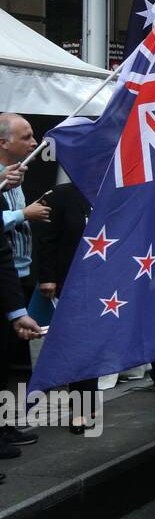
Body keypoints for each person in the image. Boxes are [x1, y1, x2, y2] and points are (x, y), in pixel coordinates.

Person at [32, 178, 97, 432]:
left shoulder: (112, 195)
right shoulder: (61, 194)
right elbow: (45, 237)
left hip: (105, 285)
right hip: (69, 282)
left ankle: (88, 407)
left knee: (92, 346)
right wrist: (47, 277)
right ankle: (80, 408)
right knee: (78, 346)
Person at [0, 113, 48, 452]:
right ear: (4, 142)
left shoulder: (14, 177)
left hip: (16, 276)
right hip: (5, 282)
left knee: (6, 362)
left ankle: (4, 426)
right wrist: (22, 214)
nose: (34, 143)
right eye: (27, 136)